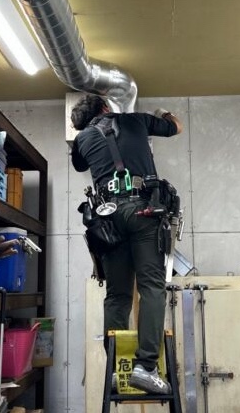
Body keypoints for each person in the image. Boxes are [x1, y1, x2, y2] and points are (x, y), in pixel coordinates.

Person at [70, 94, 183, 395]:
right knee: (151, 288)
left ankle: (114, 370)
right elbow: (176, 128)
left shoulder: (82, 139)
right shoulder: (135, 120)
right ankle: (145, 367)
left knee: (117, 295)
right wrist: (164, 113)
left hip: (107, 219)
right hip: (143, 211)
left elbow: (79, 164)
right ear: (106, 108)